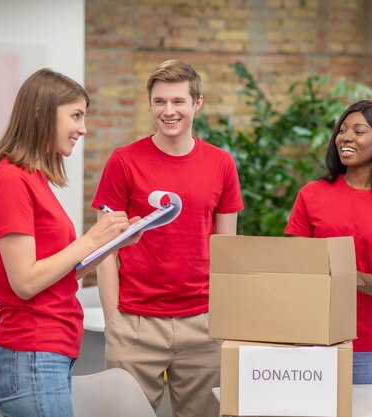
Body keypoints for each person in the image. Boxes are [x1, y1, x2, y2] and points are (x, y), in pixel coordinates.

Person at [0, 69, 137, 417]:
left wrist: (116, 242)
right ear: (41, 113)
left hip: (45, 352)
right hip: (31, 351)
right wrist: (91, 238)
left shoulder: (33, 179)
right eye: (76, 116)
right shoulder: (10, 180)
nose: (83, 128)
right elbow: (25, 282)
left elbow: (64, 271)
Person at [92, 59, 243, 417]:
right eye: (159, 101)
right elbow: (104, 245)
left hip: (203, 324)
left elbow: (228, 250)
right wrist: (114, 319)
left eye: (178, 101)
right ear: (149, 104)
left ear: (197, 103)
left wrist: (222, 319)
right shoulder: (124, 161)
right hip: (134, 324)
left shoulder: (221, 164)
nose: (168, 111)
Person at [285, 99, 372, 384]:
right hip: (307, 336)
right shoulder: (312, 195)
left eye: (359, 131)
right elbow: (296, 268)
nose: (346, 137)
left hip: (363, 345)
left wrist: (338, 272)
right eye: (343, 130)